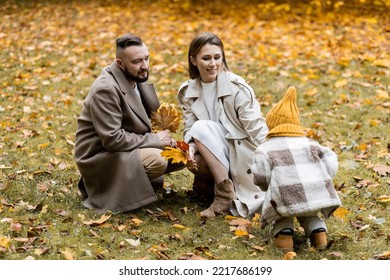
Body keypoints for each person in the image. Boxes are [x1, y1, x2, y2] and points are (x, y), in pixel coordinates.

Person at [75, 33, 184, 213]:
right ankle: (109, 189)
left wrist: (164, 139)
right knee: (158, 160)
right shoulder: (106, 89)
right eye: (137, 62)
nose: (145, 66)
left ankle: (138, 185)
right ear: (120, 63)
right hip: (100, 156)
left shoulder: (136, 78)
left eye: (147, 59)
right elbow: (112, 139)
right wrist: (155, 140)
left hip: (126, 147)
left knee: (180, 154)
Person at [177, 32, 269, 219]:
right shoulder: (188, 91)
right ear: (193, 60)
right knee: (196, 157)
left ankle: (225, 197)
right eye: (206, 58)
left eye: (217, 57)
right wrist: (191, 147)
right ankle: (223, 190)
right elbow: (190, 127)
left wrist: (274, 153)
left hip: (243, 151)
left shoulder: (237, 88)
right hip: (215, 149)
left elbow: (255, 126)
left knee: (200, 128)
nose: (213, 64)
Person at [251, 86, 342, 252]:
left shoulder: (265, 148)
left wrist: (267, 187)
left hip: (285, 196)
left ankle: (284, 237)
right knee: (310, 214)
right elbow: (331, 161)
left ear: (271, 125)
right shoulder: (311, 144)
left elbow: (260, 176)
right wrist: (323, 176)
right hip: (316, 194)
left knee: (281, 214)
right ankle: (318, 233)